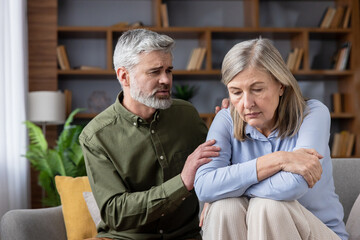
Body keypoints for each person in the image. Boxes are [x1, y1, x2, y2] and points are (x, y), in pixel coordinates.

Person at [194, 38, 349, 240]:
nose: (247, 103)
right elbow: (204, 187)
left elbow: (295, 185)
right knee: (225, 208)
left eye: (257, 89)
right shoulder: (225, 119)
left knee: (268, 207)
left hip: (319, 233)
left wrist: (226, 187)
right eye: (236, 92)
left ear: (281, 86)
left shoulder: (312, 114)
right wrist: (280, 160)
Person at [79, 29, 221, 239]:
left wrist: (229, 126)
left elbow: (219, 166)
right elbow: (115, 213)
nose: (166, 80)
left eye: (169, 70)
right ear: (124, 76)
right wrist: (181, 182)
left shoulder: (187, 115)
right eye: (154, 72)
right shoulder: (96, 137)